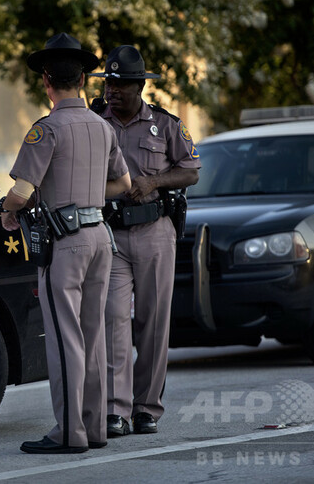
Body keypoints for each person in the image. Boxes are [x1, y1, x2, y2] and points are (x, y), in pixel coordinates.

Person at [0, 33, 131, 454]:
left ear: (46, 80)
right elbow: (124, 184)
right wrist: (87, 196)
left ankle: (70, 432)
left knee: (64, 338)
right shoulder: (102, 126)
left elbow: (21, 191)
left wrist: (7, 210)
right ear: (84, 80)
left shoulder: (47, 129)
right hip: (99, 238)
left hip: (66, 242)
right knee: (94, 336)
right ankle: (95, 429)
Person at [89, 45, 201, 436]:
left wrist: (153, 181)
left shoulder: (166, 125)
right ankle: (115, 410)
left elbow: (190, 171)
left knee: (152, 321)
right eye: (108, 83)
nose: (112, 90)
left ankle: (146, 408)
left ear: (140, 87)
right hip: (111, 234)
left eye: (120, 84)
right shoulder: (93, 122)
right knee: (113, 319)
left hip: (155, 231)